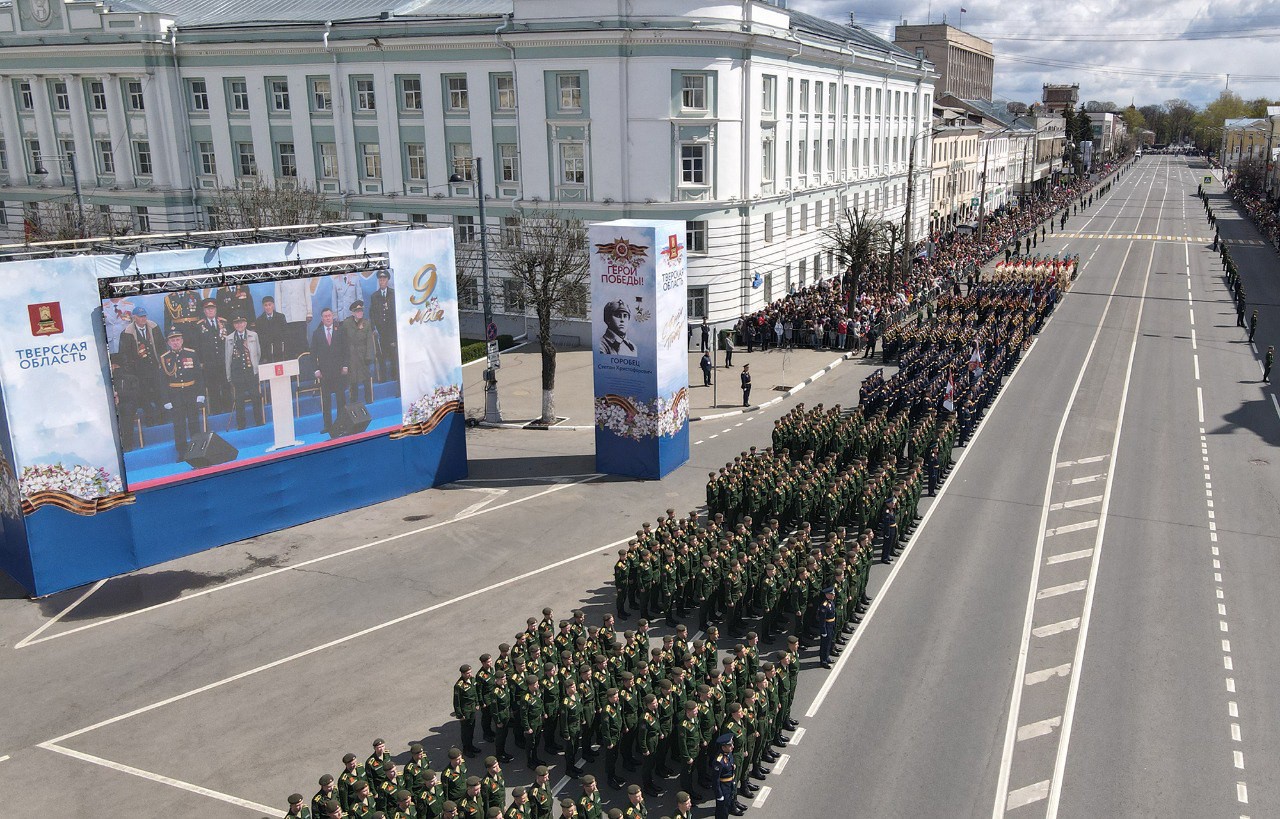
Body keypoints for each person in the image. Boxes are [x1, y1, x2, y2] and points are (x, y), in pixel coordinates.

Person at [160, 329, 205, 460]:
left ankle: (197, 451)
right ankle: (182, 453)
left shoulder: (191, 354)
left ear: (182, 340)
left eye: (178, 339)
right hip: (175, 395)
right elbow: (162, 382)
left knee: (194, 422)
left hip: (191, 392)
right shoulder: (165, 358)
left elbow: (199, 376)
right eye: (172, 340)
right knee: (179, 425)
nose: (175, 343)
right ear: (168, 343)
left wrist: (200, 394)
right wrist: (166, 400)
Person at [311, 307, 349, 432]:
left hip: (339, 371)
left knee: (340, 399)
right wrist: (316, 370)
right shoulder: (317, 333)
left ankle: (341, 423)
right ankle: (327, 426)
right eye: (325, 316)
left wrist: (345, 365)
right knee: (326, 401)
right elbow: (313, 354)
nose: (327, 318)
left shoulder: (341, 330)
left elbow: (346, 350)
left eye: (329, 315)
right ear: (322, 319)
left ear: (332, 316)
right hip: (324, 373)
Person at [224, 314, 263, 429]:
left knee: (255, 396)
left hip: (250, 371)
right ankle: (241, 425)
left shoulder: (253, 335)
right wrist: (229, 375)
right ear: (234, 325)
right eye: (236, 323)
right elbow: (228, 358)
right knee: (239, 399)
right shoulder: (229, 338)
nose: (239, 325)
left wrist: (255, 368)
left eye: (241, 322)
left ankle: (259, 422)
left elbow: (258, 353)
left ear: (245, 324)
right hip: (237, 372)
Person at [196, 298, 230, 412]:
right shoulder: (199, 326)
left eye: (212, 308)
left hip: (224, 361)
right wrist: (201, 362)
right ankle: (216, 411)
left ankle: (228, 409)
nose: (210, 311)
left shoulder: (224, 323)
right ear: (204, 311)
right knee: (213, 388)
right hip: (209, 363)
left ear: (216, 309)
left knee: (226, 386)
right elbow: (198, 346)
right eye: (207, 309)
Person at [343, 300, 376, 405]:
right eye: (357, 311)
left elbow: (369, 341)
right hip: (351, 355)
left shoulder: (366, 323)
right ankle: (354, 402)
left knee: (366, 378)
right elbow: (344, 340)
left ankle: (369, 400)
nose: (360, 313)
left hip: (363, 355)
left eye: (361, 310)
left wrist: (369, 356)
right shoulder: (347, 323)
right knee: (353, 380)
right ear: (353, 313)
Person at [710, 734, 743, 818]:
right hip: (723, 788)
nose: (732, 746)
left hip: (729, 786)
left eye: (732, 744)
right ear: (723, 747)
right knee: (722, 812)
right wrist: (719, 794)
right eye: (730, 745)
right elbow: (715, 780)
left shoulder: (729, 754)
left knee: (727, 808)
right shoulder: (719, 761)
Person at [454, 665, 483, 756]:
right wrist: (459, 714)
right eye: (467, 673)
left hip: (473, 709)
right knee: (466, 731)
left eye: (470, 672)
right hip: (465, 711)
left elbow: (476, 693)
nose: (469, 674)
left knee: (471, 728)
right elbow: (456, 702)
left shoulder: (473, 680)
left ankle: (471, 746)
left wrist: (477, 703)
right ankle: (466, 749)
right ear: (462, 674)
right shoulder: (459, 685)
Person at [256, 295, 289, 363]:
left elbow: (285, 333)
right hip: (266, 351)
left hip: (279, 349)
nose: (268, 307)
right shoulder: (259, 320)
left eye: (269, 305)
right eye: (265, 305)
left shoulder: (280, 317)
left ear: (273, 305)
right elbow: (260, 337)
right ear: (263, 307)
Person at [818, 587, 837, 669]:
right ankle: (823, 661)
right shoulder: (824, 606)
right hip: (827, 626)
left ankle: (827, 657)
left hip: (831, 624)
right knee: (824, 644)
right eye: (832, 594)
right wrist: (823, 631)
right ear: (827, 595)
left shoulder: (831, 602)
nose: (834, 595)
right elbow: (822, 620)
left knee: (829, 643)